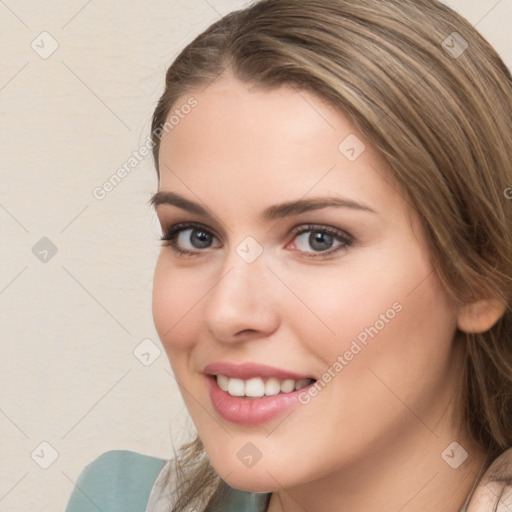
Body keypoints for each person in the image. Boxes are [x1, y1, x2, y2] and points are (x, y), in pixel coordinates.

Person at [65, 0, 512, 511]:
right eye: (195, 236)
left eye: (318, 238)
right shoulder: (117, 501)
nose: (225, 312)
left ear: (482, 278)